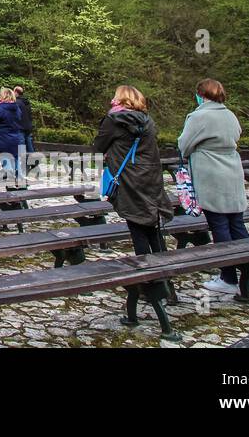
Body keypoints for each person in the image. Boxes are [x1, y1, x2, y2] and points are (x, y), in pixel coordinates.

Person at [93, 84, 178, 334]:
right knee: (153, 227)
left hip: (128, 177)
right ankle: (164, 280)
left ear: (120, 99)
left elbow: (99, 146)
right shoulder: (147, 121)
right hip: (150, 176)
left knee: (138, 228)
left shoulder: (113, 120)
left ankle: (147, 281)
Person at [177, 78, 249, 296]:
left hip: (210, 173)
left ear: (201, 94)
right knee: (237, 224)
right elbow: (236, 136)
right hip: (232, 171)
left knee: (218, 224)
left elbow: (184, 144)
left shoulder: (199, 116)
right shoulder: (230, 115)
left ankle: (228, 277)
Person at [0, 88, 25, 181]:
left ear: (3, 96)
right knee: (16, 158)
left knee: (5, 157)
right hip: (16, 137)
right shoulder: (17, 108)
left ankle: (10, 179)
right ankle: (20, 179)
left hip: (3, 137)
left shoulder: (0, 109)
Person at [13, 85, 34, 154]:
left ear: (16, 92)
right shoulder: (27, 102)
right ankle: (33, 161)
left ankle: (23, 162)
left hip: (20, 127)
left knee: (21, 146)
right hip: (28, 126)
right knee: (29, 145)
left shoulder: (17, 102)